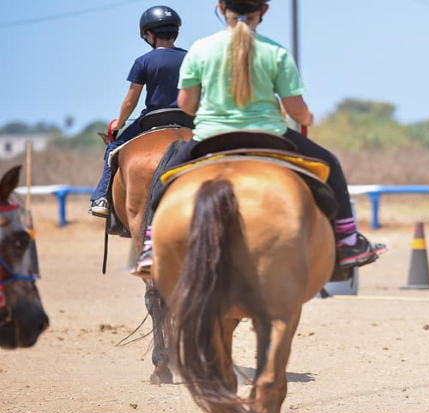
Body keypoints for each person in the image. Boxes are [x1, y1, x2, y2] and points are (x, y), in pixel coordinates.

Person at [132, 0, 383, 276]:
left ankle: (151, 245)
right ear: (263, 11)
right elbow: (297, 110)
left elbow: (187, 105)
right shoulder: (275, 52)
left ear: (220, 7)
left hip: (210, 137)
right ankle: (348, 242)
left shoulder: (201, 49)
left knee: (164, 178)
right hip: (269, 136)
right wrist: (307, 118)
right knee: (331, 164)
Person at [88, 6, 187, 217]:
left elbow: (131, 100)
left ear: (149, 35)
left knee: (113, 148)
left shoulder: (143, 61)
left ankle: (102, 197)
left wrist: (120, 123)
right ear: (176, 33)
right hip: (188, 118)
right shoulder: (191, 58)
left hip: (153, 119)